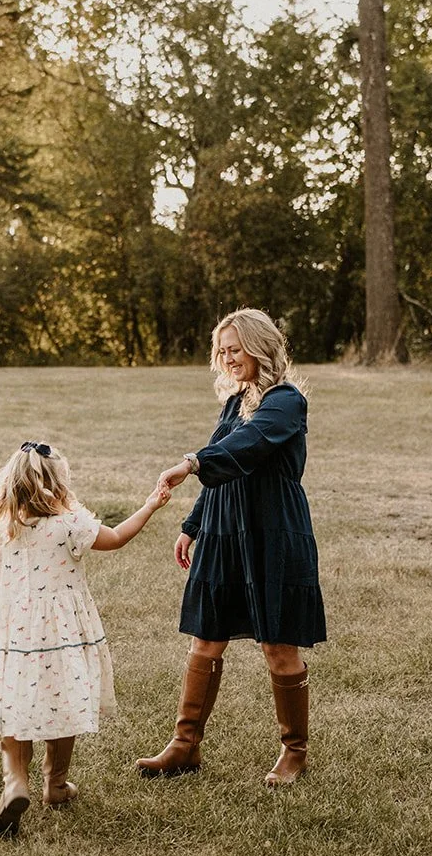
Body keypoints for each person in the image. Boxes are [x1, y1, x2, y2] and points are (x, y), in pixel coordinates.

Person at [137, 308, 326, 788]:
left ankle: (294, 752)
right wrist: (193, 524)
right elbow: (224, 461)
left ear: (259, 348)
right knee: (206, 636)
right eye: (220, 351)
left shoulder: (286, 401)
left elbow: (249, 445)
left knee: (278, 643)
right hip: (223, 530)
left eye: (234, 349)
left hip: (272, 530)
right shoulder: (233, 402)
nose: (225, 358)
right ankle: (185, 744)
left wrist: (190, 462)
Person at [0, 440, 173, 839]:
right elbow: (115, 538)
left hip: (13, 635)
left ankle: (15, 784)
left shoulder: (3, 527)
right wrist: (149, 506)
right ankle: (55, 784)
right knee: (61, 699)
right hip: (62, 635)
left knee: (13, 705)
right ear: (58, 482)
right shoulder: (69, 523)